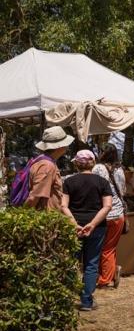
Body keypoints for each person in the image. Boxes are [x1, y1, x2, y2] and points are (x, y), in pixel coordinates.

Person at [60, 150, 113, 311]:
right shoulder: (102, 182)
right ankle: (86, 301)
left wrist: (74, 223)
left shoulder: (69, 182)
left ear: (76, 163)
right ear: (93, 162)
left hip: (74, 227)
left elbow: (63, 205)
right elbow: (107, 206)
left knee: (71, 263)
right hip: (97, 228)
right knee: (91, 264)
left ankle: (66, 300)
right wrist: (93, 224)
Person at [92, 144, 126, 289]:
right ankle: (112, 272)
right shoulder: (119, 169)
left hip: (103, 213)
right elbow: (123, 190)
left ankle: (105, 280)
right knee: (110, 247)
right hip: (118, 213)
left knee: (103, 248)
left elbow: (93, 189)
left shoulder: (98, 168)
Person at [25, 126, 75, 210]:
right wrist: (22, 216)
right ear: (60, 147)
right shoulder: (47, 166)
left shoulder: (43, 161)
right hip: (45, 219)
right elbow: (34, 197)